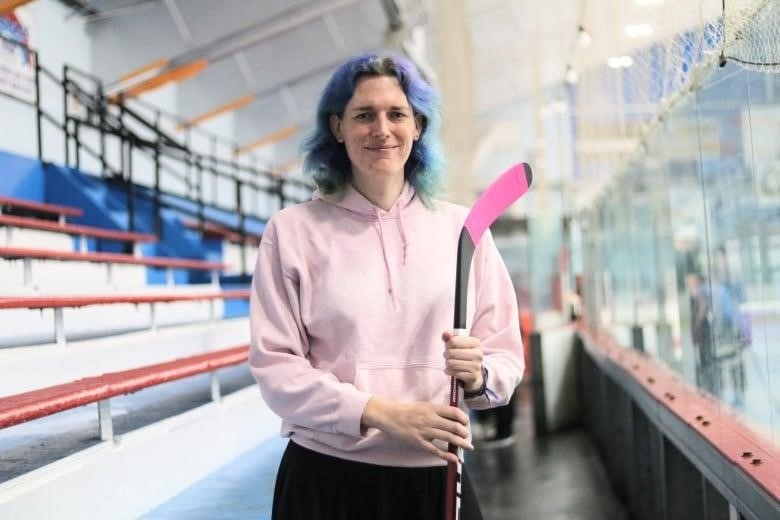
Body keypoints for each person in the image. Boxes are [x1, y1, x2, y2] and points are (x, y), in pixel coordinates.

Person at [248, 53, 524, 520]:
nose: (382, 129)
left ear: (417, 125)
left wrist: (478, 375)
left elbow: (504, 358)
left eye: (397, 114)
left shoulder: (464, 229)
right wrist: (376, 412)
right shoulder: (291, 231)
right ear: (337, 127)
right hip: (326, 479)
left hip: (437, 475)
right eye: (363, 115)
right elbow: (276, 370)